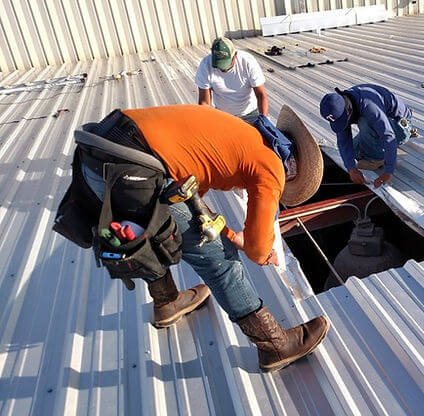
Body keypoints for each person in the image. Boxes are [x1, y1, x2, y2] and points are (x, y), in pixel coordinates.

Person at [77, 105, 329, 372]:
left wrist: (225, 231)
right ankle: (274, 345)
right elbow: (256, 250)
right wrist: (261, 251)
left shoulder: (245, 135)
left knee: (150, 230)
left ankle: (167, 301)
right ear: (293, 170)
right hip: (131, 167)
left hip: (98, 151)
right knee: (220, 259)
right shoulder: (272, 167)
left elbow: (193, 192)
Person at [319, 84, 417, 188]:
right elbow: (343, 141)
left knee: (364, 122)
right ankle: (373, 148)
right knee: (353, 152)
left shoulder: (369, 105)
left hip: (399, 127)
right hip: (377, 125)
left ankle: (377, 158)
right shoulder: (342, 104)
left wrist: (388, 171)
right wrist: (351, 169)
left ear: (348, 110)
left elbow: (389, 137)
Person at [195, 37, 268, 125]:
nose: (223, 69)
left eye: (226, 64)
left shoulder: (247, 62)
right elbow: (204, 102)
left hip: (250, 114)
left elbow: (261, 95)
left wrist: (264, 120)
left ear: (235, 55)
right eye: (219, 65)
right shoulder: (205, 65)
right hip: (223, 116)